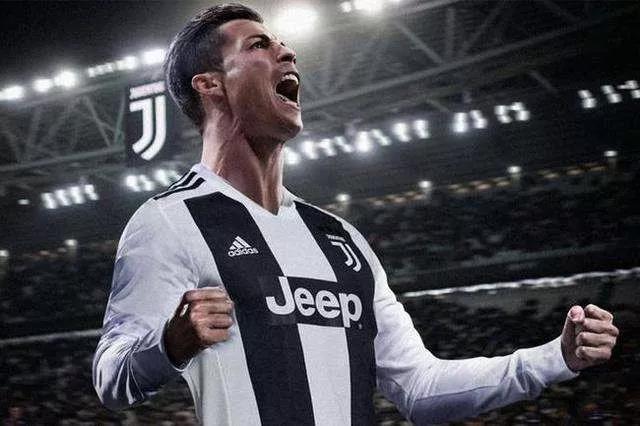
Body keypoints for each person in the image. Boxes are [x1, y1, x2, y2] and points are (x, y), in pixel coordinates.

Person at [92, 3, 619, 425]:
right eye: (259, 45)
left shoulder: (340, 238)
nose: (287, 51)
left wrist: (556, 357)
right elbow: (111, 378)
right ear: (210, 84)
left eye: (282, 43)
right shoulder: (169, 221)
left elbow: (421, 388)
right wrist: (170, 343)